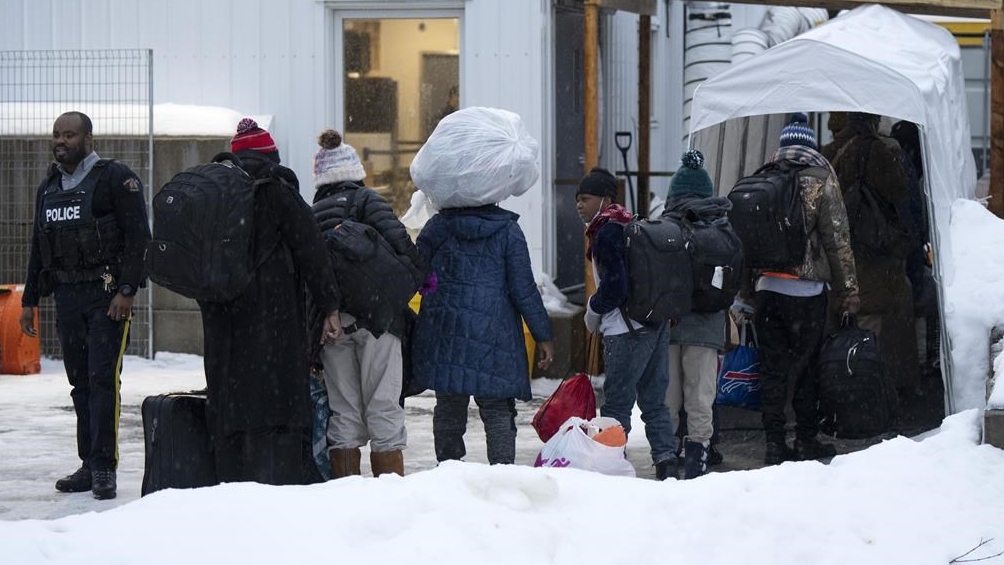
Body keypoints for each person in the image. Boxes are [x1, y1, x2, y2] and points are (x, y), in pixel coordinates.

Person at [197, 118, 342, 485]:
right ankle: (276, 484)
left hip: (221, 323)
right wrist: (329, 306)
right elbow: (313, 251)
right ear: (271, 157)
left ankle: (230, 481)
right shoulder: (277, 192)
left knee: (230, 408)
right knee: (275, 411)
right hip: (272, 320)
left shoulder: (212, 194)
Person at [19, 111, 151, 500]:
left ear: (88, 138)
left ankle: (104, 467)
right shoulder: (50, 186)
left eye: (70, 134)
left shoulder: (115, 178)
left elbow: (138, 238)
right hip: (67, 296)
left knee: (102, 379)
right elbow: (38, 246)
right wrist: (29, 300)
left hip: (106, 295)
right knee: (79, 382)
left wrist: (126, 291)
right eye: (57, 134)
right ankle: (88, 462)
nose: (61, 141)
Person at [737, 113, 859, 465]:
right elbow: (837, 240)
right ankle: (806, 438)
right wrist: (848, 290)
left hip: (767, 290)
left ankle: (774, 443)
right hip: (806, 293)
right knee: (806, 369)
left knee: (772, 370)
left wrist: (746, 290)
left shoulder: (764, 177)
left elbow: (746, 241)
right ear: (810, 145)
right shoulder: (821, 179)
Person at [309, 129, 425, 477]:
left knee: (343, 412)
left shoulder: (311, 213)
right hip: (378, 320)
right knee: (383, 406)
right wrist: (406, 286)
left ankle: (346, 492)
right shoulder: (367, 201)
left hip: (332, 322)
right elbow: (404, 247)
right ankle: (389, 493)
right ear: (355, 172)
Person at [412, 197, 554, 466]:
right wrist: (542, 333)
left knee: (449, 407)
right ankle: (501, 474)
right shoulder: (508, 230)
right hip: (494, 334)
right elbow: (523, 288)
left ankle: (448, 471)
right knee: (498, 408)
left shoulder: (438, 227)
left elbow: (415, 271)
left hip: (446, 331)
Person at [577, 167, 678, 480]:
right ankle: (666, 462)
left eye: (585, 198)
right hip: (654, 323)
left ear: (605, 198)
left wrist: (593, 310)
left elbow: (616, 287)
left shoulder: (607, 232)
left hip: (625, 330)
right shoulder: (632, 223)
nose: (579, 205)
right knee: (654, 401)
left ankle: (610, 466)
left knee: (617, 405)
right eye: (577, 199)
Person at [822, 112, 918, 398]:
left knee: (840, 312)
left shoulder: (828, 152)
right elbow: (900, 191)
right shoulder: (882, 150)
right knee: (873, 315)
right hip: (875, 246)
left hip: (839, 243)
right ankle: (869, 384)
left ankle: (836, 378)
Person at [660, 150, 730, 479]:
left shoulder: (661, 227)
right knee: (700, 397)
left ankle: (667, 457)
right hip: (707, 326)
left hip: (668, 325)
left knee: (668, 398)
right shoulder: (722, 226)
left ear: (673, 194)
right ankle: (697, 460)